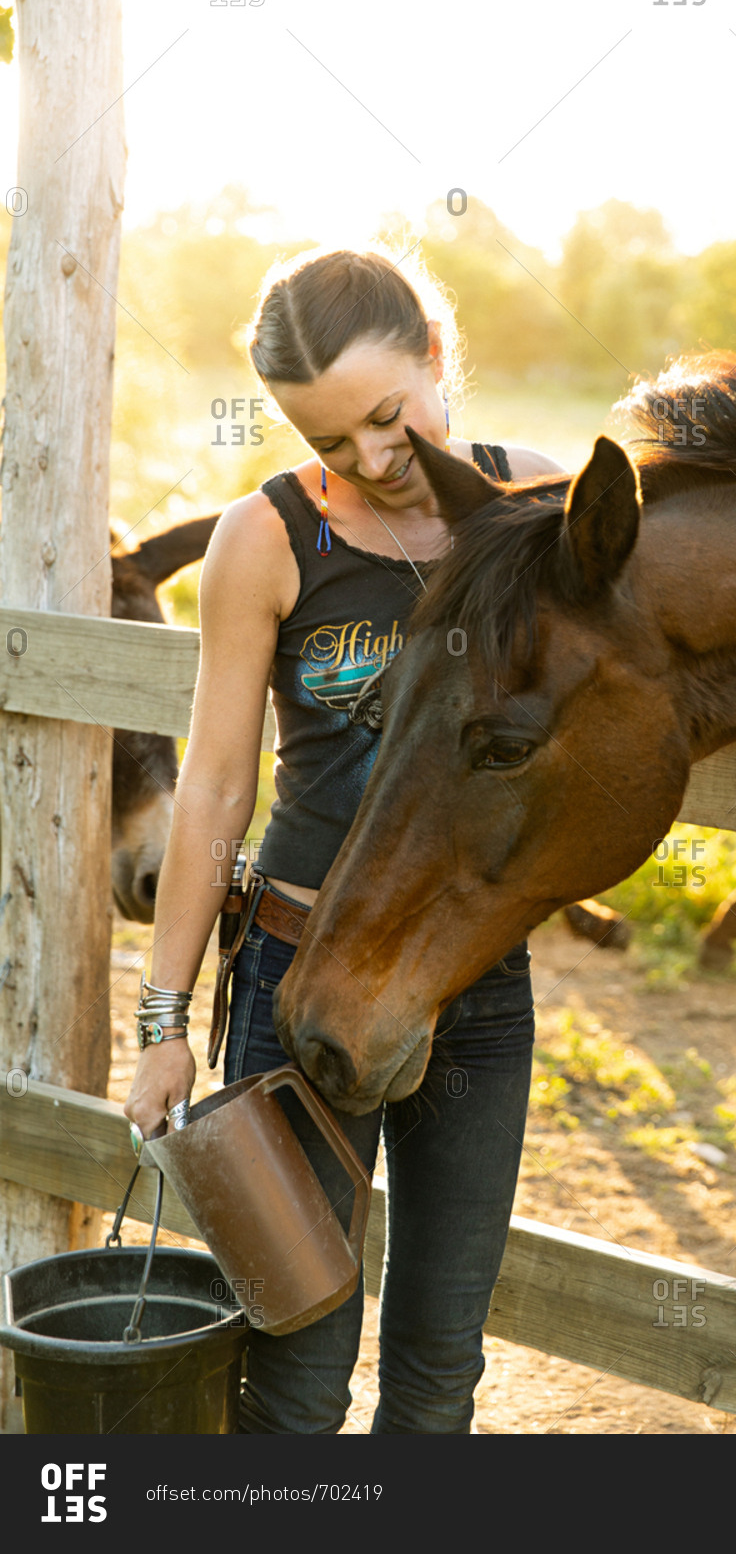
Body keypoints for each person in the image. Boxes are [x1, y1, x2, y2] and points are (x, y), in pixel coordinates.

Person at [124, 244, 565, 1433]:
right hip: (300, 980)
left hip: (473, 982)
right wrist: (164, 1026)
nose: (372, 461)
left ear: (435, 352)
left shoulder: (536, 506)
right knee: (297, 1368)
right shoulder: (264, 538)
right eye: (330, 440)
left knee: (439, 1365)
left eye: (386, 418)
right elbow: (217, 785)